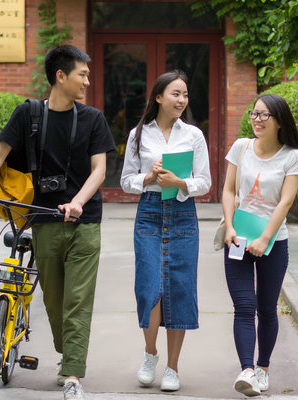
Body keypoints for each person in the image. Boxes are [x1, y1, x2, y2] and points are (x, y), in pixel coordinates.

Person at [0, 45, 115, 400]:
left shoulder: (93, 118)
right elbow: (0, 152)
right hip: (44, 220)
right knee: (53, 299)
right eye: (82, 74)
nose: (87, 81)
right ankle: (68, 350)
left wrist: (78, 202)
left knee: (78, 300)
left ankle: (74, 373)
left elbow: (100, 170)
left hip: (85, 221)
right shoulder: (28, 114)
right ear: (60, 76)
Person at [120, 70, 211, 392]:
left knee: (180, 288)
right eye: (175, 94)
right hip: (149, 214)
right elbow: (126, 180)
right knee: (150, 286)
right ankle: (150, 353)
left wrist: (179, 183)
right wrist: (148, 178)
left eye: (185, 95)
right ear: (159, 97)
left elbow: (205, 182)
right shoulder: (138, 135)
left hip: (183, 214)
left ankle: (172, 367)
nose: (181, 100)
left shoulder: (194, 135)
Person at [221, 94, 298, 397]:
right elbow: (229, 190)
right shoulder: (240, 147)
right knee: (244, 306)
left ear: (279, 121)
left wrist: (265, 238)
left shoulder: (292, 156)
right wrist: (229, 226)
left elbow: (286, 201)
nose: (256, 120)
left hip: (273, 241)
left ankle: (263, 368)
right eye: (254, 114)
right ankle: (246, 370)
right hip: (238, 237)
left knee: (267, 309)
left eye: (264, 115)